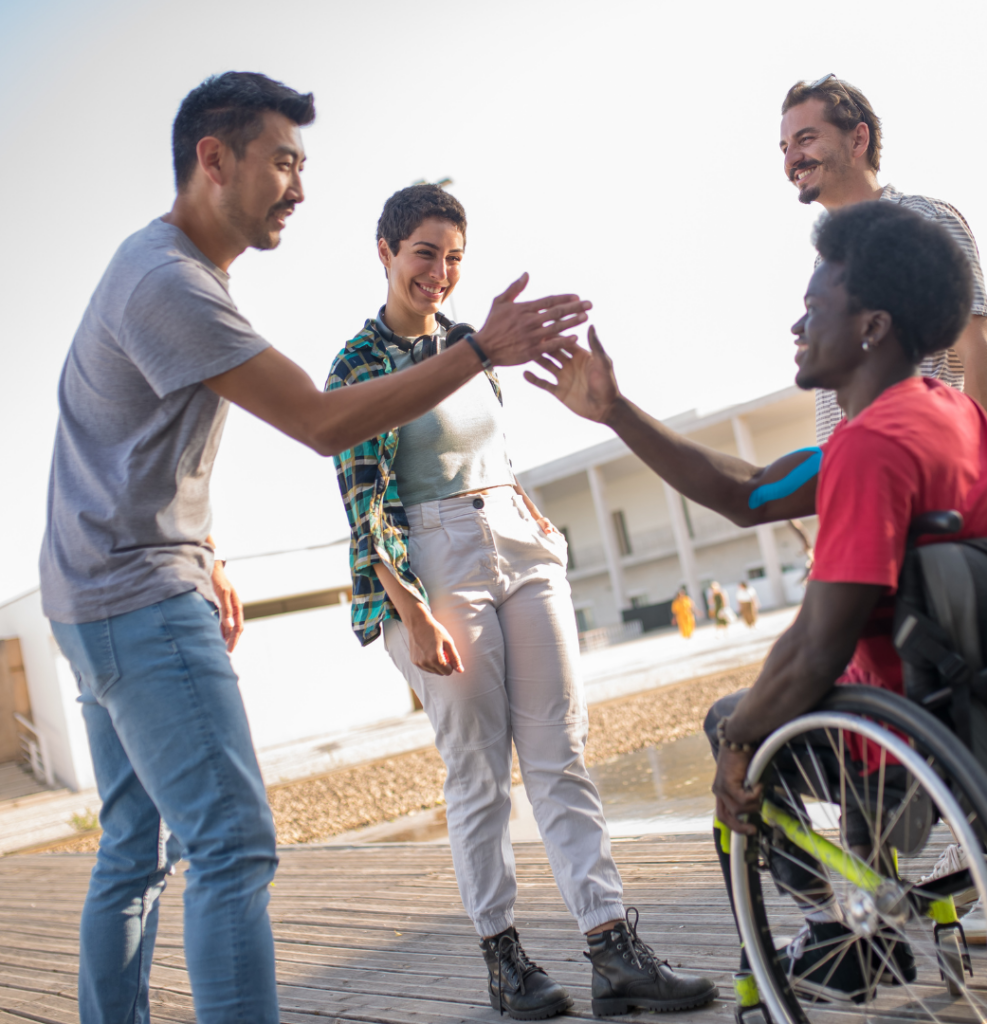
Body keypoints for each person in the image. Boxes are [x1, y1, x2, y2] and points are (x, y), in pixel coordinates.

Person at [40, 73, 593, 1024]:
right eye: (284, 162)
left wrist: (206, 543)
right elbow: (324, 424)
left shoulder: (164, 269)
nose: (300, 189)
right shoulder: (171, 283)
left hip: (91, 586)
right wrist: (477, 352)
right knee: (233, 847)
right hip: (136, 596)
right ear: (215, 159)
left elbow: (130, 441)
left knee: (132, 848)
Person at [527, 200, 987, 1001]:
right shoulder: (944, 412)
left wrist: (738, 746)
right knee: (817, 701)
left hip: (921, 739)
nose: (797, 326)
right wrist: (616, 411)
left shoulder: (871, 447)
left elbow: (814, 645)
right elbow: (751, 491)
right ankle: (862, 916)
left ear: (871, 327)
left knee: (739, 721)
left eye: (812, 308)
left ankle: (838, 935)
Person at [325, 184, 718, 1020]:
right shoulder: (357, 364)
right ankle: (505, 962)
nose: (441, 272)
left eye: (455, 256)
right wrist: (410, 608)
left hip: (517, 541)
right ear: (386, 252)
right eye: (425, 252)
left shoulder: (470, 344)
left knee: (561, 754)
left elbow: (483, 451)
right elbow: (364, 503)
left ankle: (613, 948)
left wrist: (521, 501)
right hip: (432, 562)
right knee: (477, 771)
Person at [779, 75, 987, 443]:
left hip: (926, 473)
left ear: (858, 139)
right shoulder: (825, 262)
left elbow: (979, 348)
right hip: (862, 481)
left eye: (806, 139)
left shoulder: (923, 220)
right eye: (784, 147)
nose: (791, 159)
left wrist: (983, 483)